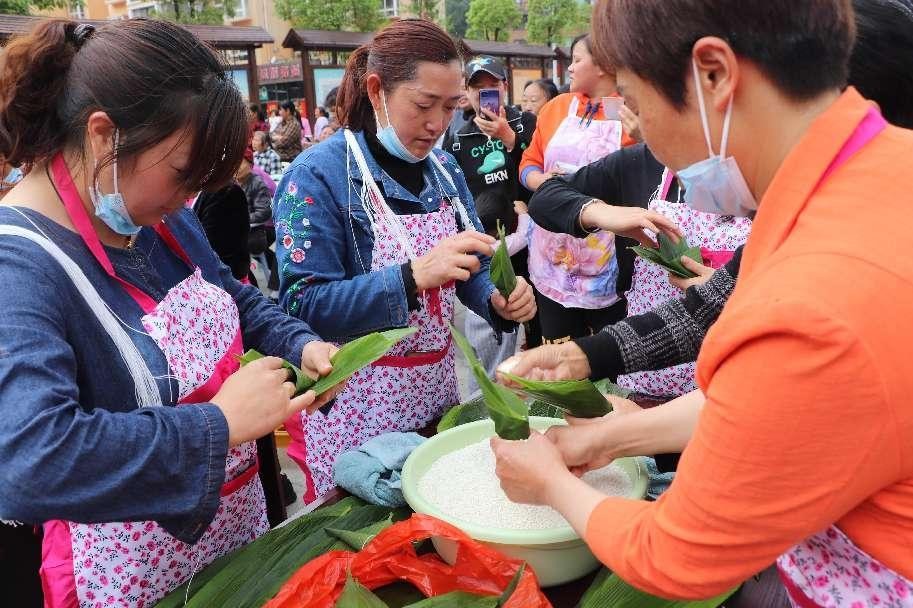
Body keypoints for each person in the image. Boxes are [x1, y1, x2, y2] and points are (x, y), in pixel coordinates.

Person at [492, 1, 913, 604]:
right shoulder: (870, 176)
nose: (638, 131)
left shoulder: (817, 298)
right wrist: (599, 440)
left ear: (713, 73)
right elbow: (766, 405)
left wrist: (551, 483)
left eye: (635, 97)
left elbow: (679, 556)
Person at [0, 19, 341, 607]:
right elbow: (29, 460)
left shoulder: (152, 211)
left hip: (235, 537)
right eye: (184, 175)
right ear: (105, 136)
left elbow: (230, 294)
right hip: (127, 574)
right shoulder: (20, 266)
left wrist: (299, 343)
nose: (188, 200)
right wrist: (220, 425)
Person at [273, 19, 536, 505]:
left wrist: (497, 299)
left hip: (434, 396)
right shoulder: (317, 175)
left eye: (450, 106)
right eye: (423, 105)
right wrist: (412, 277)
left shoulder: (444, 168)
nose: (437, 124)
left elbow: (465, 266)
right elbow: (301, 303)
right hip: (358, 410)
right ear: (377, 90)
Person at [517, 33, 639, 344]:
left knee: (606, 360)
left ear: (603, 65)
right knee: (559, 364)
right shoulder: (556, 107)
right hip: (551, 255)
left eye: (577, 60)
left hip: (608, 259)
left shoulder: (629, 110)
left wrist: (643, 137)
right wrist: (542, 182)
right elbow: (529, 163)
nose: (569, 68)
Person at [443, 56, 537, 390]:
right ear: (466, 93)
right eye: (477, 88)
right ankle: (493, 395)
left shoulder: (526, 123)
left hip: (531, 242)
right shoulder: (458, 137)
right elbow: (451, 192)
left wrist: (509, 138)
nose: (486, 94)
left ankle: (534, 391)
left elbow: (538, 174)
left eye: (492, 87)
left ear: (504, 86)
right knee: (490, 328)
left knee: (535, 327)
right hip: (486, 247)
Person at [237, 147, 279, 294]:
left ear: (250, 165)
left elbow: (264, 212)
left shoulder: (258, 183)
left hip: (262, 230)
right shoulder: (234, 183)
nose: (236, 167)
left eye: (240, 163)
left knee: (233, 250)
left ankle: (248, 288)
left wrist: (240, 219)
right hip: (244, 229)